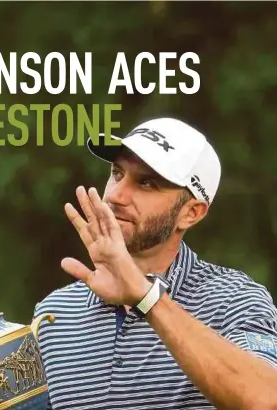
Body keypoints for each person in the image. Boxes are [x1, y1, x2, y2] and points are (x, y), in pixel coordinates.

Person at [33, 117, 277, 410]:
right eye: (117, 173)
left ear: (191, 213)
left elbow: (266, 400)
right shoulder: (54, 314)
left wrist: (145, 296)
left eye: (147, 183)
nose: (115, 195)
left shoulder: (234, 300)